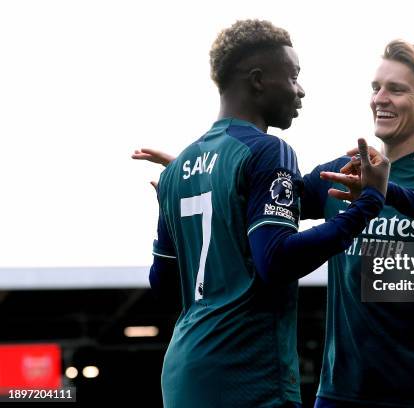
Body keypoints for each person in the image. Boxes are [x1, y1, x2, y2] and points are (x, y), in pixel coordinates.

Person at [136, 39, 414, 407]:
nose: (380, 98)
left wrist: (388, 193)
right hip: (339, 393)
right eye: (376, 88)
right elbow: (259, 196)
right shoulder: (344, 170)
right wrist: (202, 176)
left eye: (396, 89)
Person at [141, 19, 390, 408]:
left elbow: (164, 286)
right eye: (293, 76)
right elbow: (275, 260)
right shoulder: (269, 150)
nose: (301, 90)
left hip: (184, 373)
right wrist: (368, 204)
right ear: (258, 80)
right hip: (246, 375)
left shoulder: (176, 172)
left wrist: (338, 170)